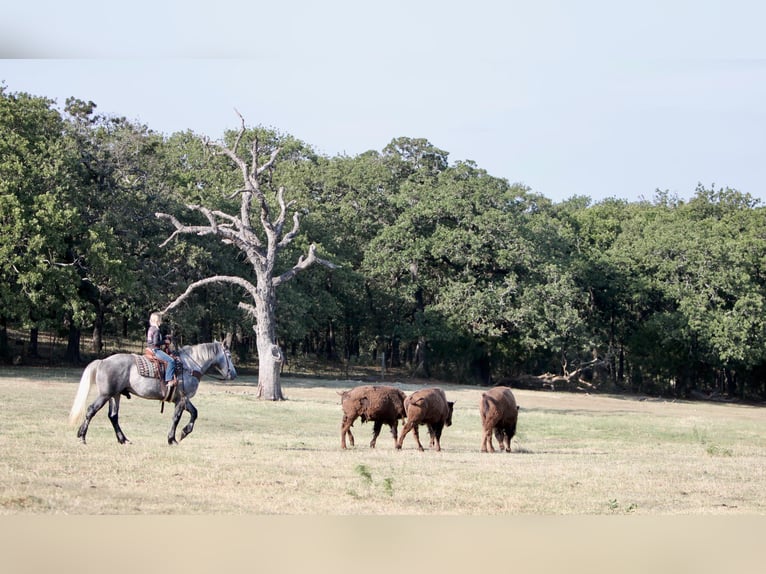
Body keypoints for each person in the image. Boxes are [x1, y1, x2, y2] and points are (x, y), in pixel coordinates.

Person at [147, 312, 176, 387]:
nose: (161, 321)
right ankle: (169, 380)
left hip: (150, 348)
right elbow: (156, 342)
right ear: (157, 320)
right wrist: (165, 341)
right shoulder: (156, 330)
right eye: (160, 319)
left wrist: (165, 337)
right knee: (171, 360)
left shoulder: (151, 328)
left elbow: (155, 339)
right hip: (155, 350)